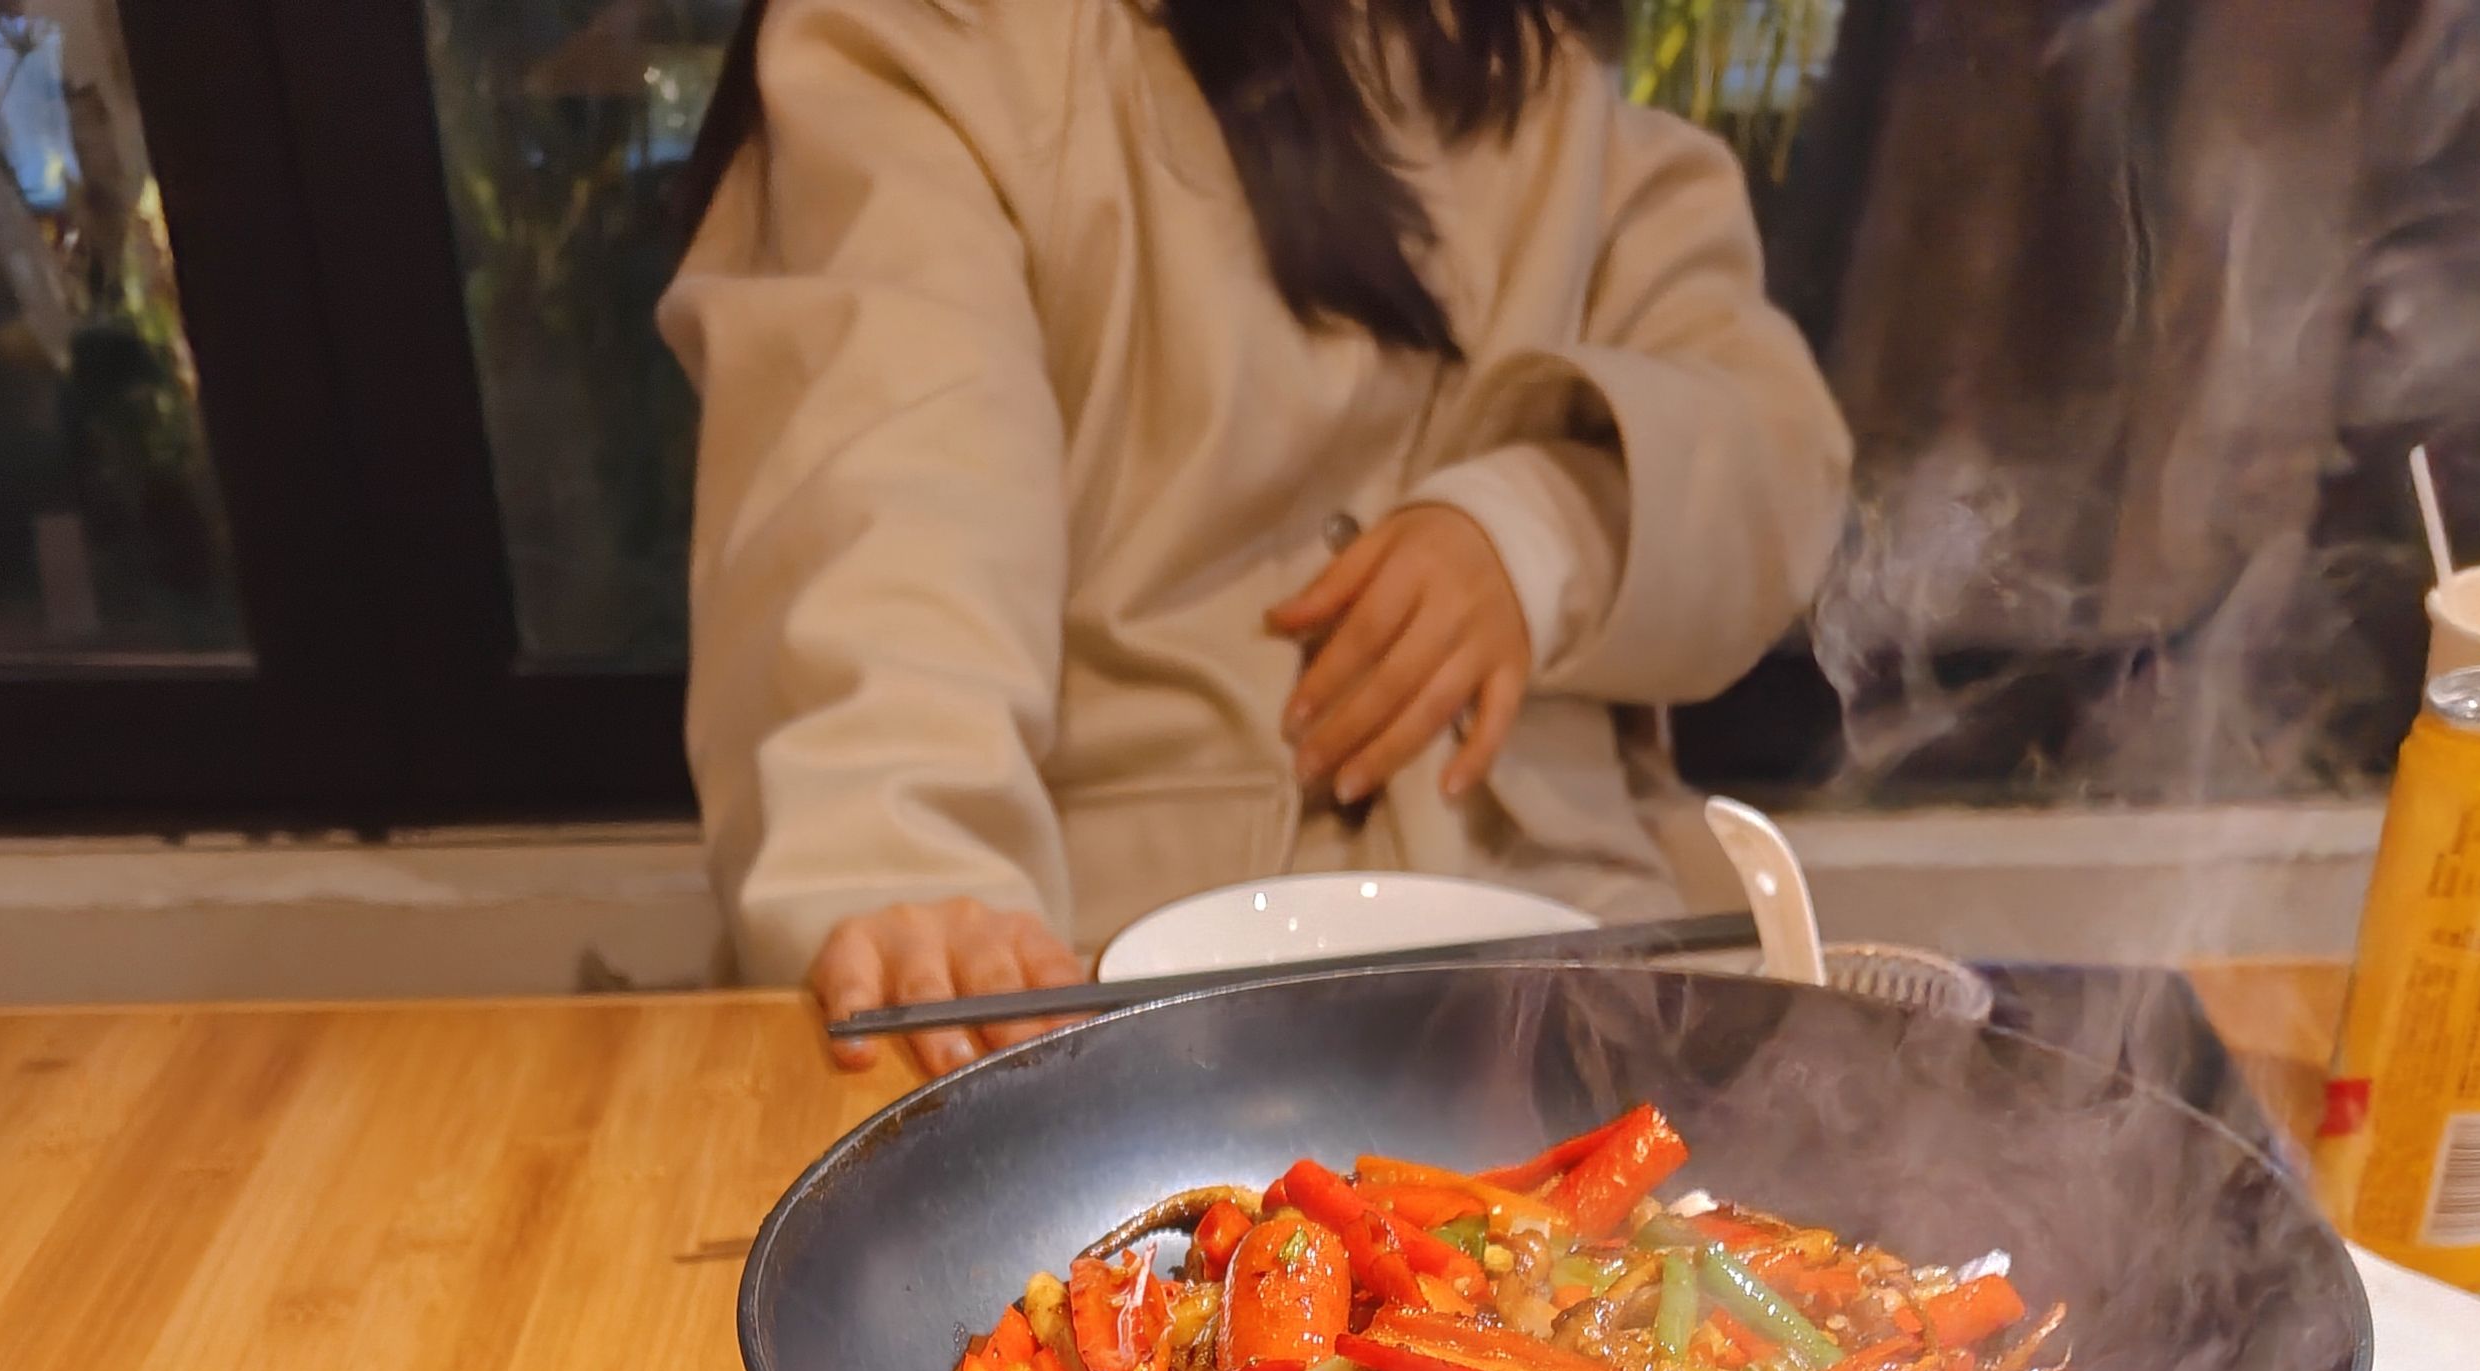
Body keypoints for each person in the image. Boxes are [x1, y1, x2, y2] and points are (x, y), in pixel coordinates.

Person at [663, 0, 1851, 1073]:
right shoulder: (928, 44)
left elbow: (1773, 443)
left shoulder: (1543, 65)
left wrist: (1545, 534)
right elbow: (881, 519)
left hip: (1587, 990)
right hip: (1132, 1009)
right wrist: (917, 896)